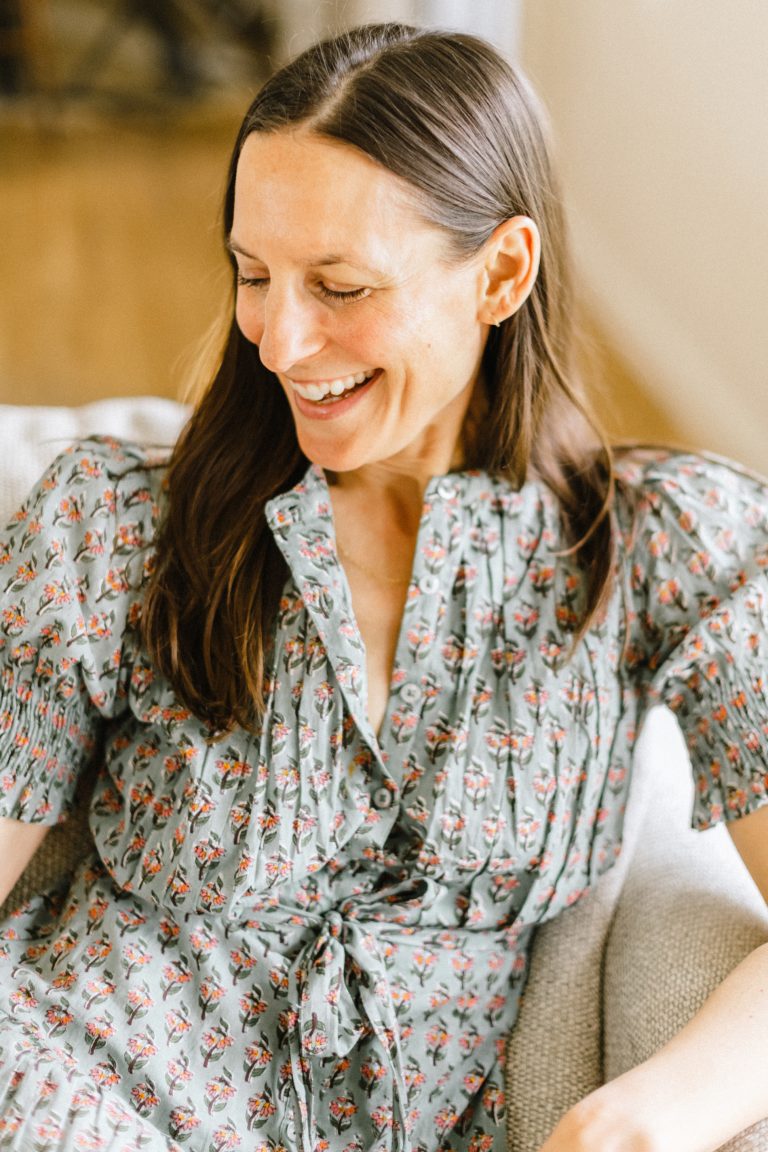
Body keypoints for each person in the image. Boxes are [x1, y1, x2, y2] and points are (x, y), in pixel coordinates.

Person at [0, 21, 767, 1152]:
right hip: (70, 1098)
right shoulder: (113, 526)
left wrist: (638, 1120)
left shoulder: (666, 552)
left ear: (501, 272)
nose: (281, 340)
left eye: (342, 286)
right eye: (253, 275)